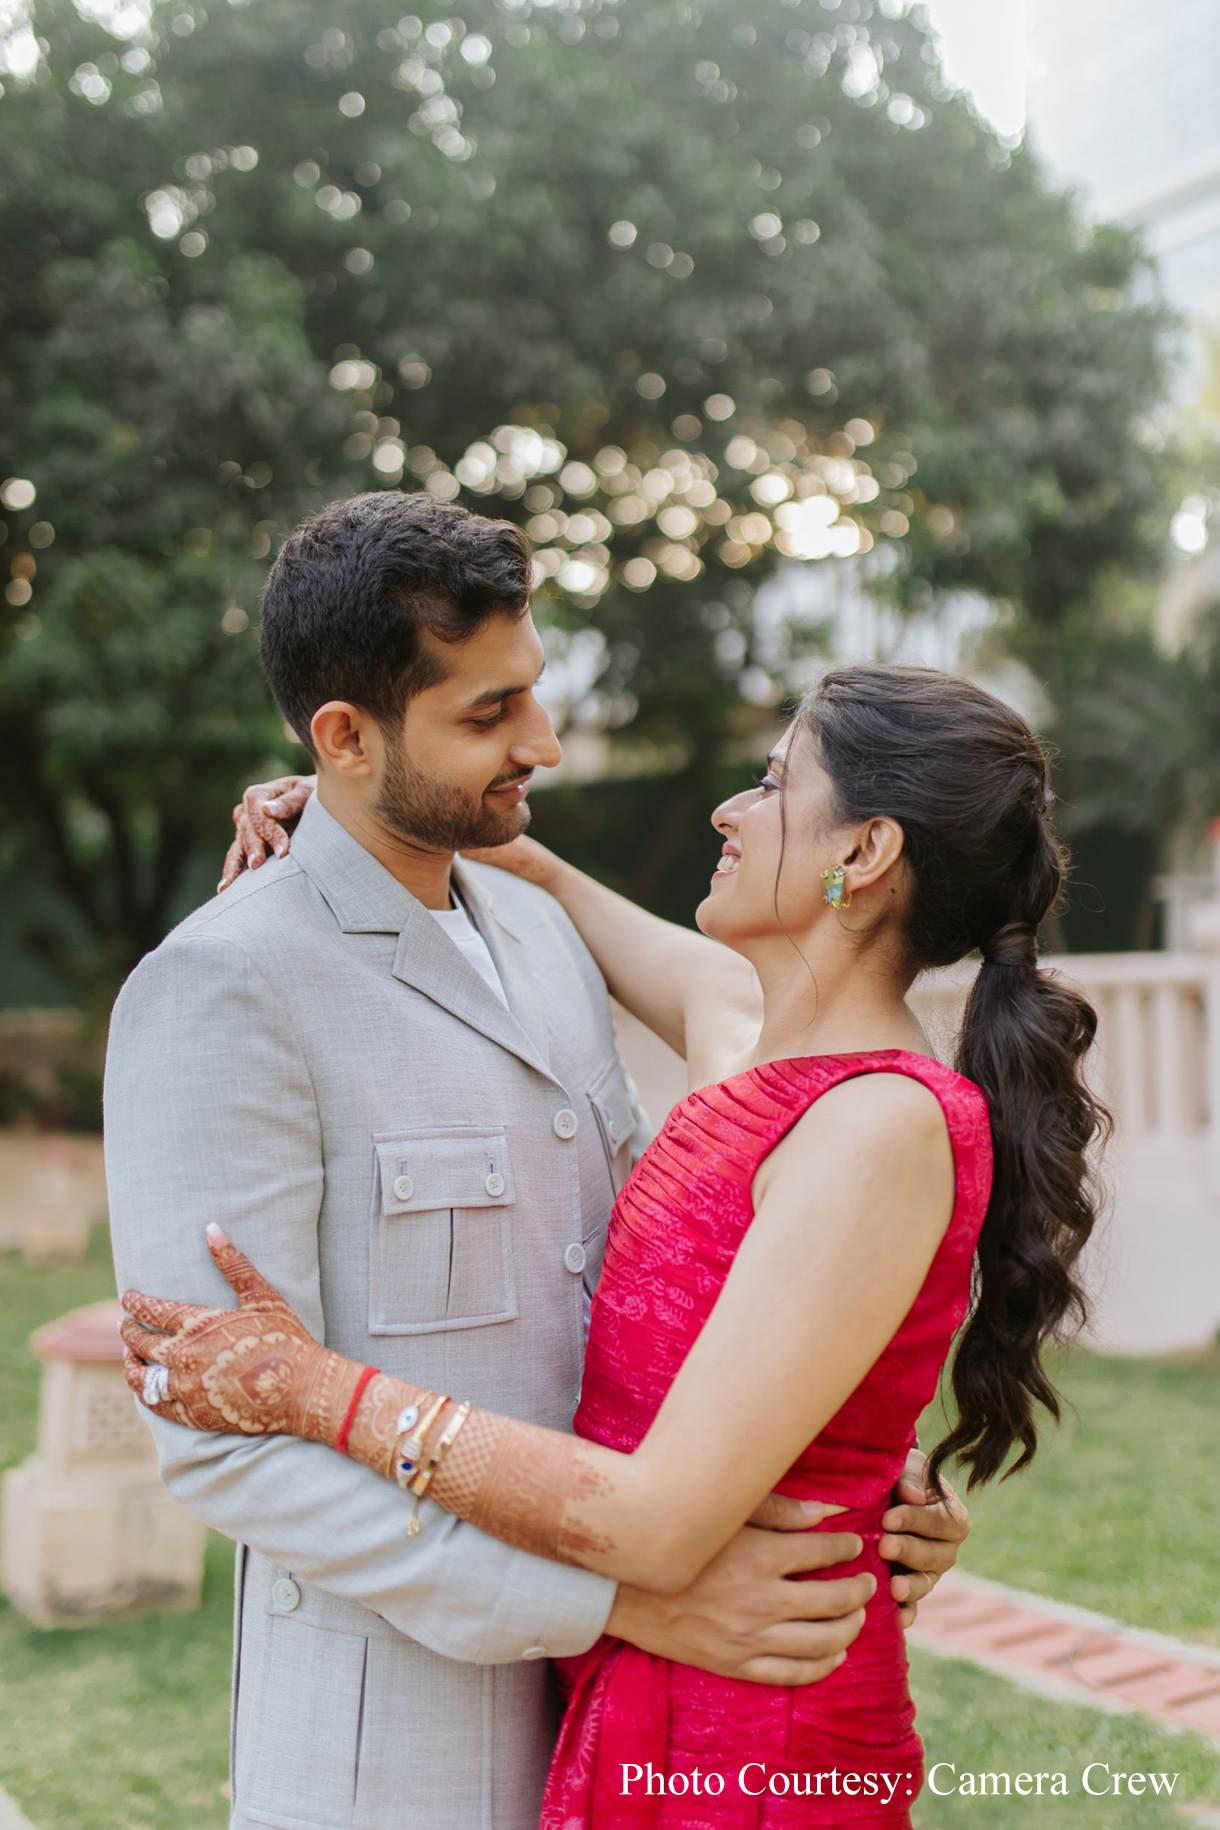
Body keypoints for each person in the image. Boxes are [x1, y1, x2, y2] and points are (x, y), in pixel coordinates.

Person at [120, 646, 1106, 1826]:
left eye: (771, 782)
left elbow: (656, 1519)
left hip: (756, 1728)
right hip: (643, 1695)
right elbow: (537, 872)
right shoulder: (742, 1036)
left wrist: (315, 1388)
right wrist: (352, 807)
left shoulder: (881, 1125)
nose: (728, 808)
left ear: (864, 851)